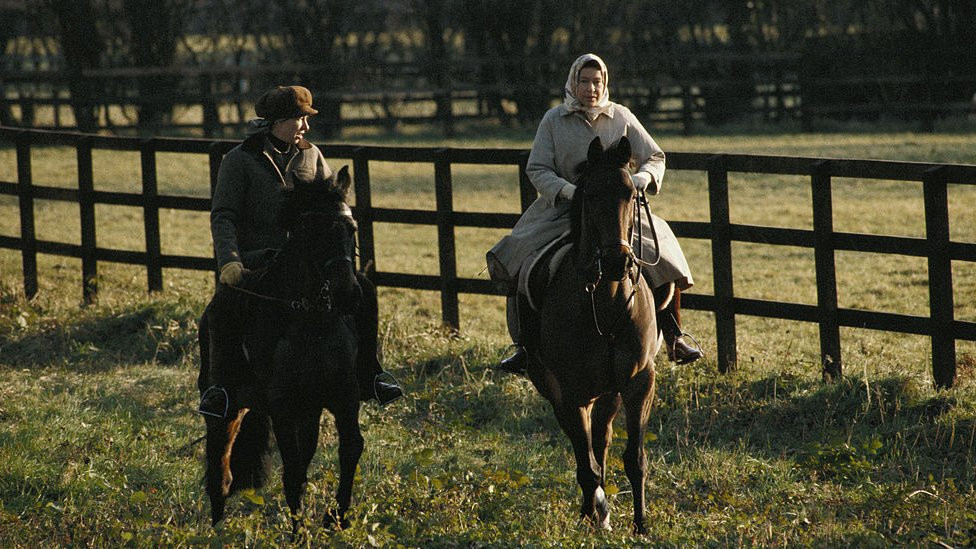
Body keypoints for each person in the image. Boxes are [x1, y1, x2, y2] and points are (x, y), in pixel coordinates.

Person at [486, 53, 702, 374]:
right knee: (525, 262)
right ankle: (526, 348)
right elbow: (538, 167)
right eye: (584, 82)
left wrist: (641, 179)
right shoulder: (554, 121)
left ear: (605, 83)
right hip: (563, 210)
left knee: (661, 255)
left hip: (617, 210)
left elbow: (654, 156)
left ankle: (673, 335)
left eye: (597, 81)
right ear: (574, 83)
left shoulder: (622, 117)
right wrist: (568, 191)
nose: (591, 88)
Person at [199, 85, 403, 415]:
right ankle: (219, 389)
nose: (305, 127)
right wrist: (230, 262)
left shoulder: (312, 155)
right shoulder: (238, 162)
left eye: (306, 120)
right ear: (277, 122)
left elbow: (333, 205)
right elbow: (224, 217)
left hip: (308, 264)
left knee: (363, 291)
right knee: (218, 312)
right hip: (257, 262)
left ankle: (371, 373)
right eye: (299, 120)